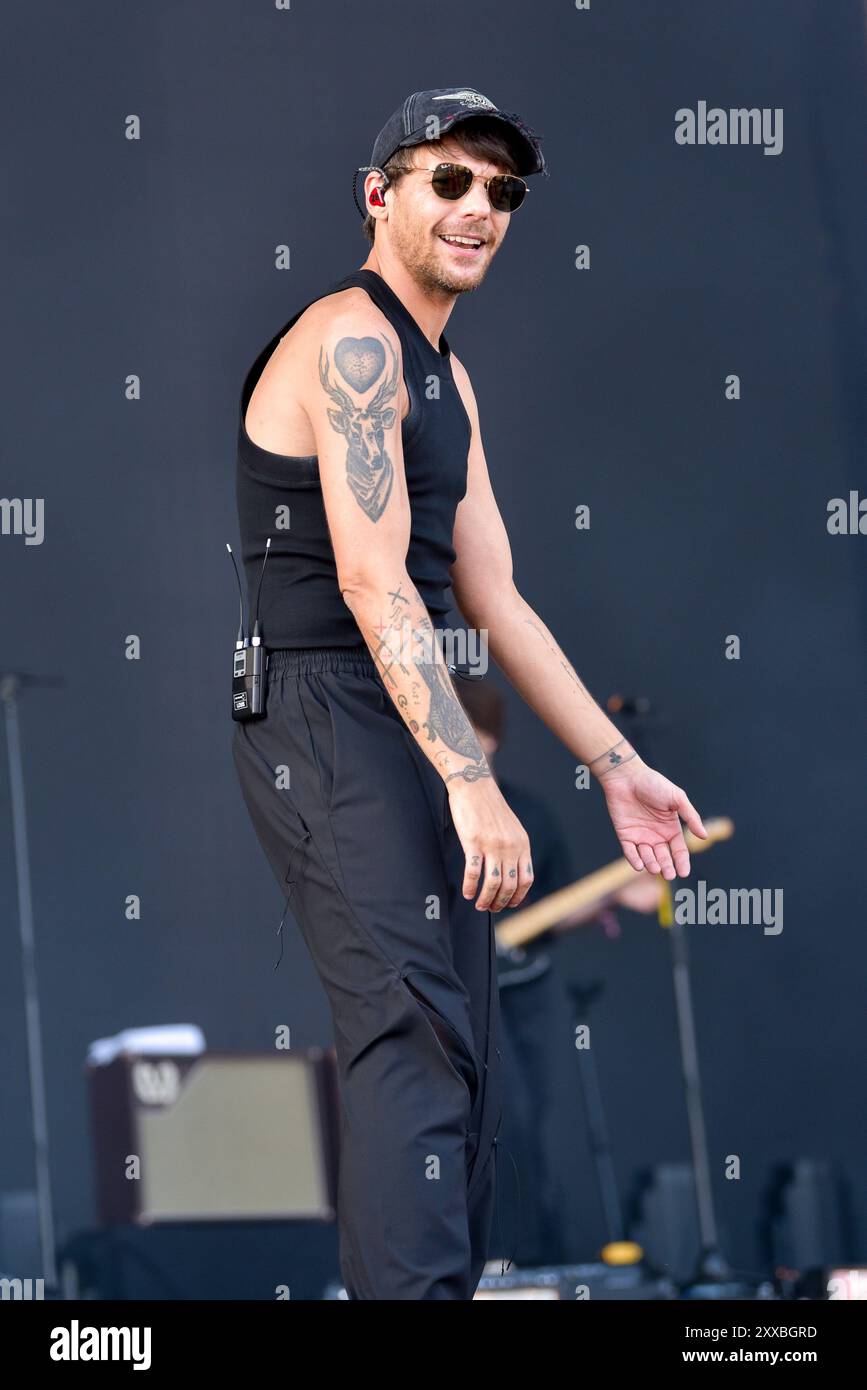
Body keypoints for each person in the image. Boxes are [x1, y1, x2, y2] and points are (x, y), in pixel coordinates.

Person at [232, 86, 706, 1300]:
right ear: (381, 194)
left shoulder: (445, 369)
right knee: (411, 1037)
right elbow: (368, 575)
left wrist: (613, 764)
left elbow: (494, 595)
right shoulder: (353, 337)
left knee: (466, 1065)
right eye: (451, 179)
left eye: (503, 190)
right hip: (326, 709)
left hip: (398, 699)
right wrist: (468, 774)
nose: (480, 207)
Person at [454, 678, 662, 1267]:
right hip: (461, 994)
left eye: (466, 733)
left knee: (531, 1124)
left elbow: (551, 910)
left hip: (525, 992)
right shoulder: (429, 811)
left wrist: (613, 900)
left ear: (489, 740)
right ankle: (486, 1263)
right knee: (494, 1120)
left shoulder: (532, 816)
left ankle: (528, 1265)